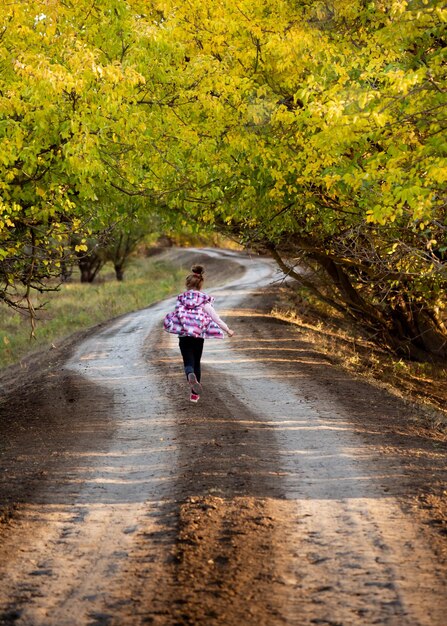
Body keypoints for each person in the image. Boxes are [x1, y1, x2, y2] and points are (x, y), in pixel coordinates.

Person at [163, 264, 234, 402]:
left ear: (187, 284)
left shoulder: (181, 299)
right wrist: (227, 329)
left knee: (188, 362)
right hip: (198, 336)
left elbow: (176, 316)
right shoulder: (204, 301)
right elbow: (215, 318)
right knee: (197, 363)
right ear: (201, 285)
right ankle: (195, 395)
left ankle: (189, 374)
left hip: (184, 336)